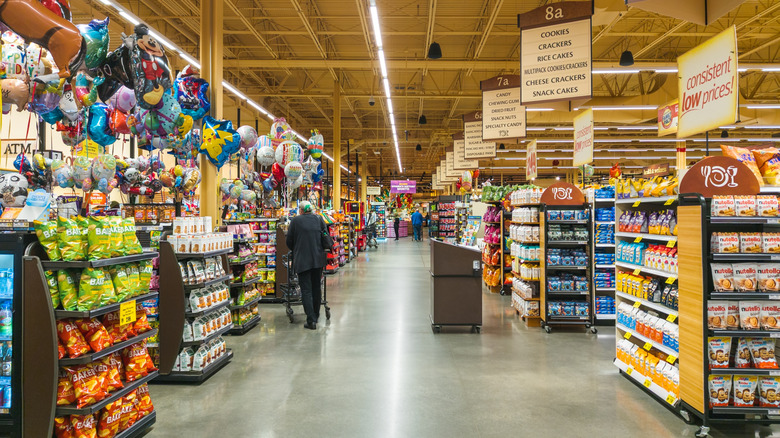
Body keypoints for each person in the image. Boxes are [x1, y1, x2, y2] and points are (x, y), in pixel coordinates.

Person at [286, 201, 329, 330]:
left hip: (303, 260)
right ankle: (315, 315)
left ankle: (311, 321)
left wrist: (298, 248)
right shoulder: (319, 219)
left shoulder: (295, 221)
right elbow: (325, 237)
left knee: (306, 290)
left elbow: (289, 241)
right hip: (318, 259)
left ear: (301, 210)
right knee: (316, 287)